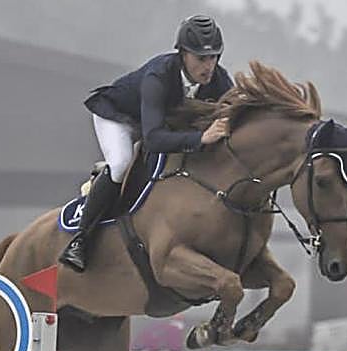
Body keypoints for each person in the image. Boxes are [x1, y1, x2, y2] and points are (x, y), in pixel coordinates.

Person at [59, 14, 235, 272]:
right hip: (119, 117)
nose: (208, 66)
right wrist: (201, 138)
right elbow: (153, 139)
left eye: (214, 57)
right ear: (183, 54)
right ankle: (81, 240)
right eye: (201, 58)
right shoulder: (159, 75)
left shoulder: (219, 79)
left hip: (154, 123)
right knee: (121, 163)